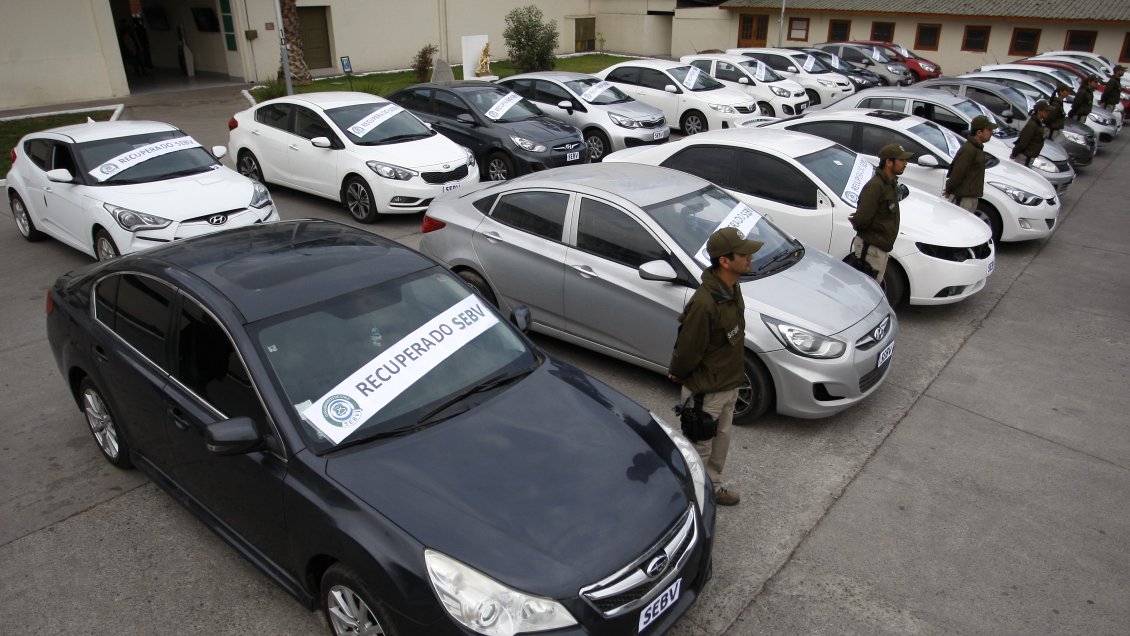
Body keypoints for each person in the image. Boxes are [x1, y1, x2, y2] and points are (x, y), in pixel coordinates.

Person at [668, 227, 763, 506]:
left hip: (728, 384)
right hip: (706, 392)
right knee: (699, 448)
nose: (750, 257)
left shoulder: (732, 289)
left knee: (721, 443)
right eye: (743, 254)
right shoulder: (704, 303)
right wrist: (679, 372)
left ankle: (712, 488)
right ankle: (693, 501)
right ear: (725, 261)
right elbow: (688, 348)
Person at [850, 144, 911, 283]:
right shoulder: (875, 186)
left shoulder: (889, 184)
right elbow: (861, 220)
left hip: (879, 251)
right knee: (866, 290)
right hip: (871, 251)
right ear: (889, 162)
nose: (905, 163)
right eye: (901, 160)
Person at [943, 115, 997, 213]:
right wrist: (949, 189)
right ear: (979, 132)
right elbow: (957, 174)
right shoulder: (968, 150)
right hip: (962, 199)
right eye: (989, 130)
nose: (991, 133)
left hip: (970, 198)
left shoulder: (977, 148)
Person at [1011, 100, 1049, 167]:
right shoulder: (1032, 124)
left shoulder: (1038, 123)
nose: (1048, 113)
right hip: (1024, 159)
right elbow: (1023, 142)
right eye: (1046, 111)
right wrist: (1014, 154)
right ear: (1039, 111)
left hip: (1028, 159)